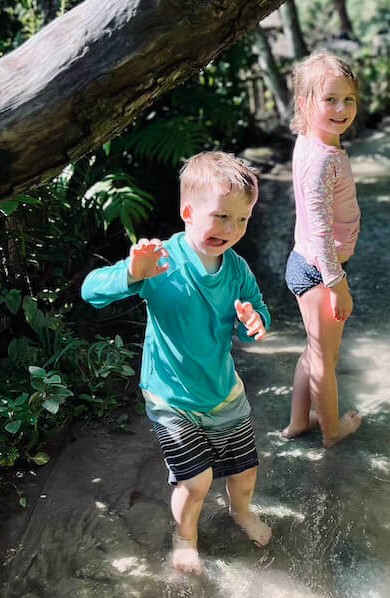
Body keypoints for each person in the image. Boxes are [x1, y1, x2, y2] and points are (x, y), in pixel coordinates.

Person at [81, 152, 271, 575]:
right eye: (221, 216)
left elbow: (257, 311)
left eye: (242, 220)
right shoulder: (161, 261)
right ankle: (185, 537)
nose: (232, 229)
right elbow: (91, 291)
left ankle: (241, 512)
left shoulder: (237, 269)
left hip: (223, 391)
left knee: (244, 471)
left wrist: (255, 322)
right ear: (187, 211)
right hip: (170, 396)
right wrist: (132, 273)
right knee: (197, 481)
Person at [283, 52, 362, 447]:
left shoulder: (311, 143)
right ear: (304, 104)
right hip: (320, 271)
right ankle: (332, 431)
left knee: (313, 350)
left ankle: (300, 421)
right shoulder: (323, 160)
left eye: (348, 99)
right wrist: (338, 284)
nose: (341, 108)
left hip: (306, 264)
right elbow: (318, 229)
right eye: (329, 99)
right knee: (324, 362)